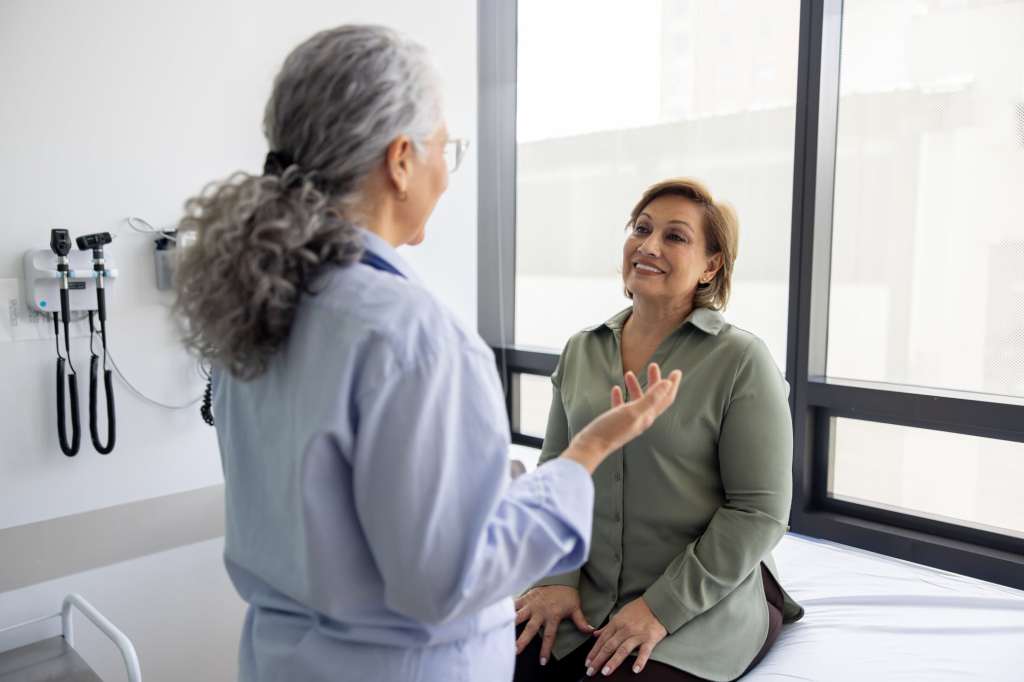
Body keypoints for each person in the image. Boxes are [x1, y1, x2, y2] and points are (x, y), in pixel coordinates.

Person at [173, 25, 682, 682]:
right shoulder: (409, 337)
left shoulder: (259, 306)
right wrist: (581, 458)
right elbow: (446, 579)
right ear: (401, 159)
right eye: (447, 146)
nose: (448, 169)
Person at [514, 178, 804, 682]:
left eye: (675, 236)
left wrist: (658, 610)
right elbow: (557, 472)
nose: (648, 246)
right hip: (586, 591)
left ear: (711, 265)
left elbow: (758, 512)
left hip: (699, 602)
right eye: (641, 229)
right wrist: (557, 578)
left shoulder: (740, 360)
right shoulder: (581, 350)